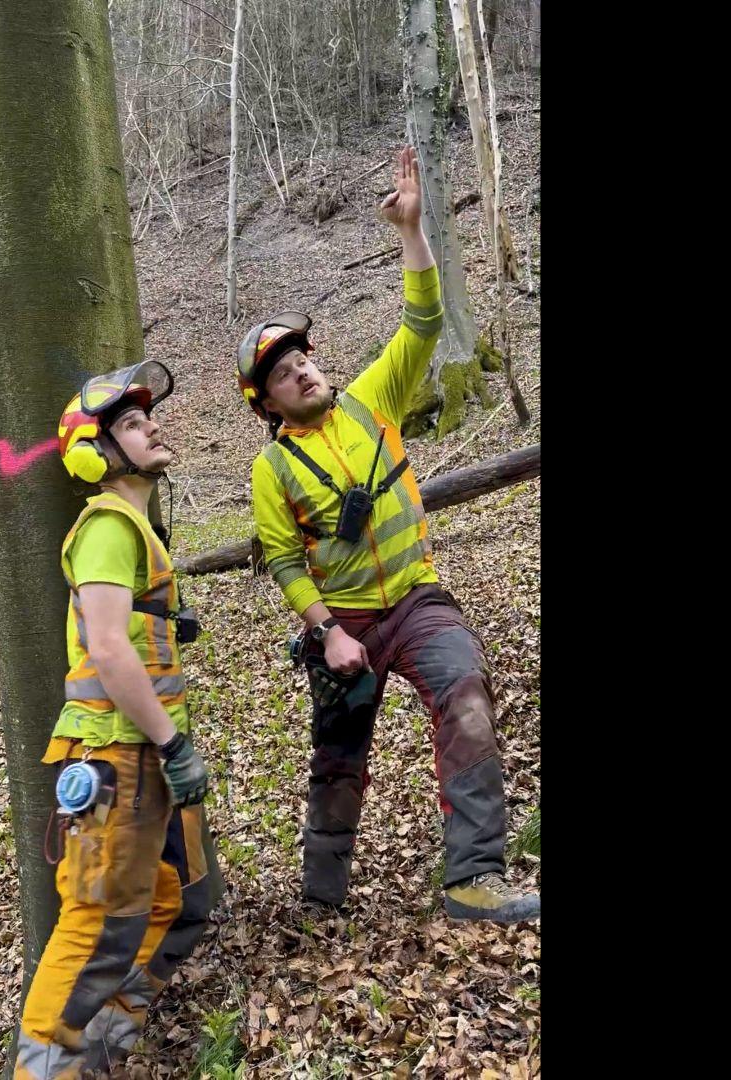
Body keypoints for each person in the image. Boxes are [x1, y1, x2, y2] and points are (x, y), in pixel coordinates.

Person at [236, 146, 538, 924]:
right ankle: (320, 901)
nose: (301, 372)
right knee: (338, 761)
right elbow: (282, 559)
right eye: (281, 372)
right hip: (346, 624)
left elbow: (423, 320)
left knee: (466, 692)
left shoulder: (374, 399)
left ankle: (474, 880)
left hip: (418, 601)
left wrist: (412, 232)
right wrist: (327, 630)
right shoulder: (272, 470)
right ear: (266, 403)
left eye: (303, 358)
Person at [13, 360, 223, 1079]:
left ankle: (101, 1045)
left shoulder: (135, 528)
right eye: (132, 422)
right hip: (118, 756)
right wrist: (173, 744)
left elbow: (124, 634)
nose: (152, 425)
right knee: (96, 925)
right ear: (96, 452)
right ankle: (43, 1070)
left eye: (145, 416)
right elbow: (106, 645)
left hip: (135, 756)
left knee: (162, 899)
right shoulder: (107, 523)